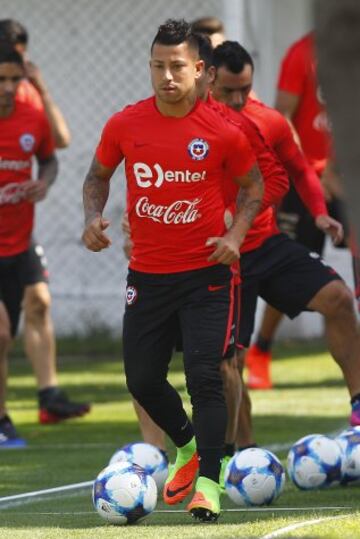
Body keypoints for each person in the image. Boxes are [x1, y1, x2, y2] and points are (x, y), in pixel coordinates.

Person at [82, 19, 264, 521]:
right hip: (147, 274)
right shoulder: (125, 125)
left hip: (206, 274)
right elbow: (97, 177)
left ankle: (210, 482)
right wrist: (92, 217)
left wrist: (234, 236)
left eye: (177, 66)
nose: (166, 75)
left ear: (199, 69)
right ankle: (185, 444)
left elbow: (254, 188)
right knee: (141, 379)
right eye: (158, 66)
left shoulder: (223, 130)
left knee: (205, 376)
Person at [210, 40, 360, 453]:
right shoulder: (193, 126)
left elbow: (297, 167)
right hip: (221, 257)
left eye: (246, 89)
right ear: (208, 81)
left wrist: (318, 212)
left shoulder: (268, 120)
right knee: (230, 363)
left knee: (338, 298)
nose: (239, 100)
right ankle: (245, 454)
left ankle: (359, 409)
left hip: (266, 244)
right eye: (229, 91)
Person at [246, 31, 356, 390]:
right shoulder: (303, 53)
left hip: (347, 177)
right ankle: (261, 349)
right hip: (304, 178)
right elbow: (283, 116)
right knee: (291, 266)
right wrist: (312, 171)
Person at [0, 21, 90, 429]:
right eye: (4, 76)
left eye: (15, 76)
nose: (9, 85)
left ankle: (48, 397)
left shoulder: (31, 106)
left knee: (39, 302)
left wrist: (44, 182)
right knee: (1, 334)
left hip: (19, 237)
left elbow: (56, 149)